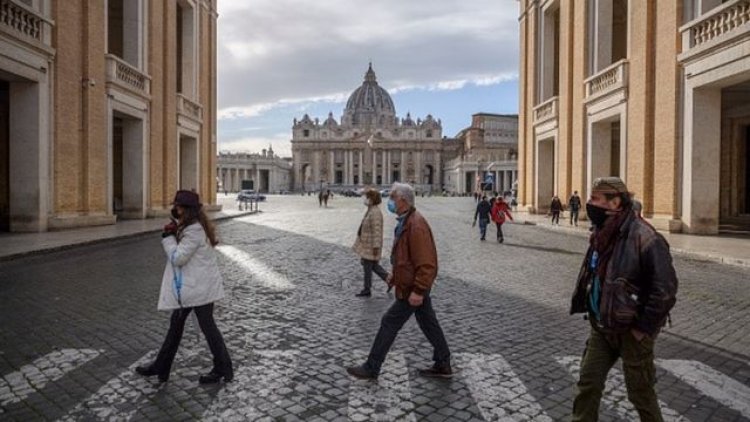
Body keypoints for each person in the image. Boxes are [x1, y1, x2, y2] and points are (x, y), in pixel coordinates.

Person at [569, 177, 678, 421]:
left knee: (641, 394)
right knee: (588, 384)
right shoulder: (601, 232)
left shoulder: (646, 237)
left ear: (615, 202)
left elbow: (665, 290)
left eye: (595, 199)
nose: (589, 203)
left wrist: (642, 329)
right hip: (601, 327)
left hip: (632, 332)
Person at [347, 182, 452, 380]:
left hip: (413, 287)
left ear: (403, 200)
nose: (390, 200)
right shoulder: (407, 220)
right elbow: (405, 257)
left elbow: (427, 263)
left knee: (389, 322)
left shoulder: (416, 225)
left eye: (393, 197)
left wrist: (419, 290)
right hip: (409, 283)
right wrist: (395, 275)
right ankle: (443, 362)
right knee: (429, 324)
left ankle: (372, 366)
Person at [136, 190, 233, 384]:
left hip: (196, 289)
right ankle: (162, 366)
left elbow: (178, 258)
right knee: (178, 326)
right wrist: (176, 227)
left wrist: (168, 238)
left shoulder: (194, 230)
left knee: (205, 327)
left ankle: (223, 367)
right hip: (195, 287)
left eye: (178, 207)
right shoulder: (192, 227)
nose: (175, 209)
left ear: (186, 210)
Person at [352, 189, 389, 297]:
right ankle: (388, 280)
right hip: (367, 243)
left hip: (371, 244)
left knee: (368, 266)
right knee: (370, 265)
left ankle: (367, 289)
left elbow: (377, 231)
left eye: (367, 197)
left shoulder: (375, 212)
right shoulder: (371, 210)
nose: (365, 199)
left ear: (372, 199)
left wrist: (376, 246)